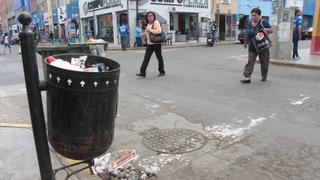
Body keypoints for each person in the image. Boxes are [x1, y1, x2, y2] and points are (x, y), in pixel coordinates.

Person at [240, 8, 273, 84]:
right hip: (252, 46)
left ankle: (264, 76)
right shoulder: (249, 23)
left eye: (255, 15)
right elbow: (247, 33)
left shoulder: (263, 22)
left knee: (264, 62)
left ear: (259, 15)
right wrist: (245, 43)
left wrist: (264, 30)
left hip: (262, 46)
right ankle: (247, 77)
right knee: (250, 62)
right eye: (252, 15)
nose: (253, 17)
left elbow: (271, 30)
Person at [136, 11, 165, 78]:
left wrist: (150, 30)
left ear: (154, 16)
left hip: (156, 43)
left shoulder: (156, 22)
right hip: (149, 44)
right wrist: (142, 34)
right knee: (146, 58)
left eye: (151, 16)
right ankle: (142, 73)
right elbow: (147, 32)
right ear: (147, 17)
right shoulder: (148, 24)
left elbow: (159, 31)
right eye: (148, 16)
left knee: (159, 57)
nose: (150, 17)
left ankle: (162, 71)